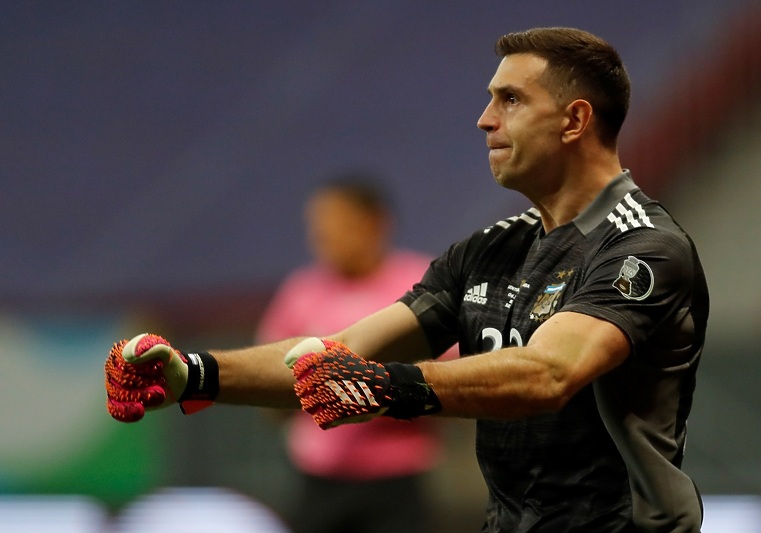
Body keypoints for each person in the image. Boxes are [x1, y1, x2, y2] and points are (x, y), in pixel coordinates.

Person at [105, 27, 709, 532]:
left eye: (510, 100)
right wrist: (192, 374)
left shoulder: (643, 247)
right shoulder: (489, 251)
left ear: (575, 120)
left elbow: (550, 373)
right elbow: (335, 357)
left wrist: (388, 387)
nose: (484, 120)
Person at [255, 175, 442, 533]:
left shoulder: (420, 281)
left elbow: (454, 374)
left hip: (396, 480)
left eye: (334, 224)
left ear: (374, 223)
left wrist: (375, 389)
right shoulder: (301, 291)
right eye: (317, 226)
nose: (321, 236)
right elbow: (269, 380)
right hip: (318, 479)